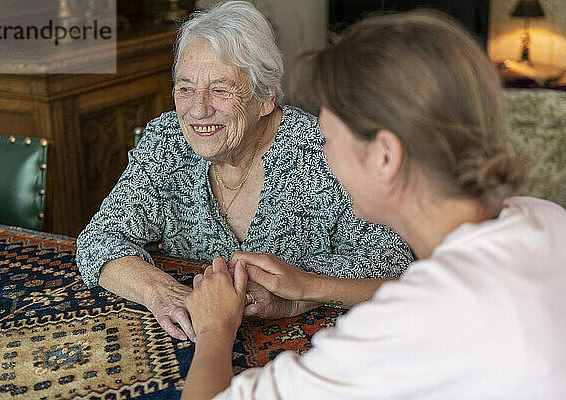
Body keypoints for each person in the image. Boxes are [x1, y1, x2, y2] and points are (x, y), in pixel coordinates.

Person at [182, 10, 566, 400]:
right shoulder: (546, 219)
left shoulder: (412, 322)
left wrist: (214, 328)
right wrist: (311, 286)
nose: (323, 156)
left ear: (384, 157)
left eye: (328, 139)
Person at [76, 1, 412, 342]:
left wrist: (300, 295)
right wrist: (162, 293)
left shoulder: (321, 152)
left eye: (220, 90)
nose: (198, 109)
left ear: (266, 95)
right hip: (191, 345)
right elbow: (97, 240)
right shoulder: (167, 142)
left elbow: (394, 265)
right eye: (185, 88)